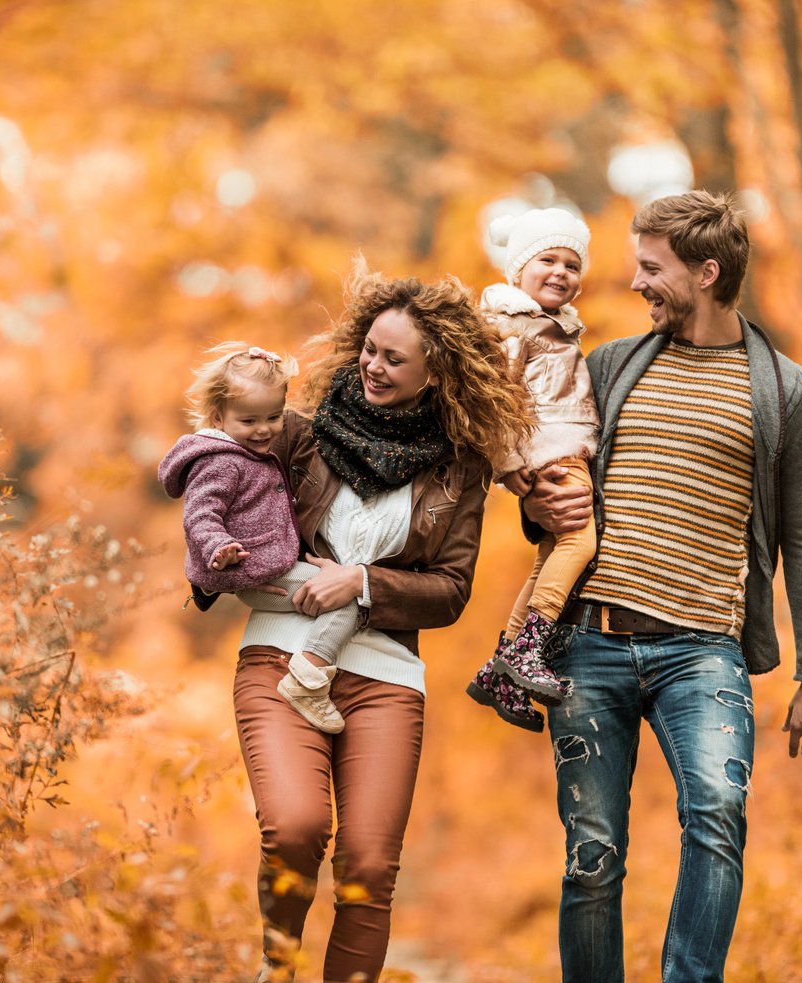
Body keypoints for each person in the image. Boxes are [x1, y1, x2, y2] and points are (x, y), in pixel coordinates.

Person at [522, 190, 802, 983]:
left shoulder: (787, 393)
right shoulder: (609, 366)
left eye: (651, 268)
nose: (635, 282)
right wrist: (537, 502)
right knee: (592, 854)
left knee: (718, 816)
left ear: (707, 271)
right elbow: (553, 496)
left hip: (703, 651)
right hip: (590, 642)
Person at [222, 264, 533, 982]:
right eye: (370, 347)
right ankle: (277, 967)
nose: (373, 364)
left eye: (395, 358)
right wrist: (214, 552)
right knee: (296, 828)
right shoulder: (298, 436)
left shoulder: (460, 468)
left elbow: (451, 590)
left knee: (367, 865)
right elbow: (218, 469)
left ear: (435, 373)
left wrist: (361, 581)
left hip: (386, 676)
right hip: (281, 657)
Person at [158, 342, 354, 734]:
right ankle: (307, 681)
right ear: (218, 416)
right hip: (252, 572)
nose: (264, 430)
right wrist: (219, 548)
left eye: (273, 417)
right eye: (249, 421)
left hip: (269, 566)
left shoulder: (246, 453)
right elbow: (200, 515)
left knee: (336, 593)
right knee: (347, 599)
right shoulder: (220, 461)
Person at [463, 208, 599, 731]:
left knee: (550, 555)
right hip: (551, 448)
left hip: (560, 446)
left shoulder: (554, 326)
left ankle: (502, 668)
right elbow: (489, 397)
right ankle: (528, 648)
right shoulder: (512, 324)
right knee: (579, 545)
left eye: (572, 265)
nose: (561, 272)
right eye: (548, 260)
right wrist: (506, 460)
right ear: (518, 270)